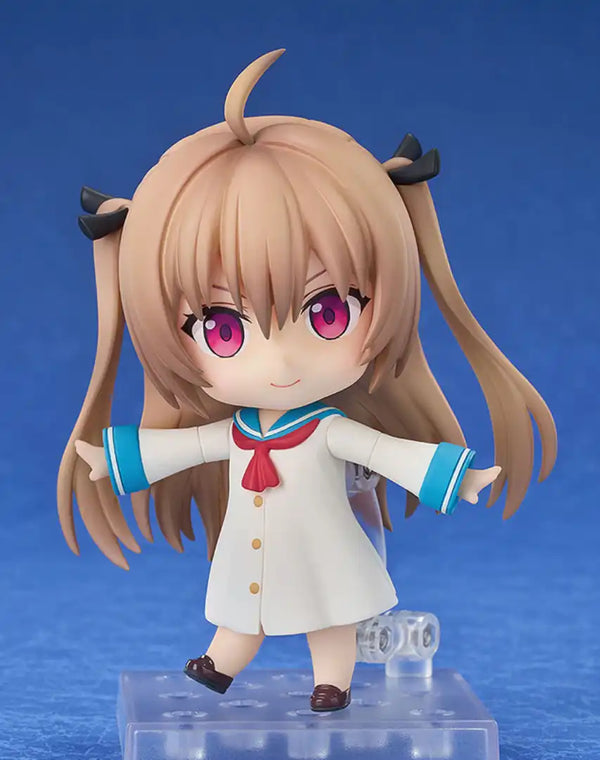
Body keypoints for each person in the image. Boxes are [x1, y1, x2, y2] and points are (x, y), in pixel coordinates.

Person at [58, 49, 556, 712]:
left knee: (331, 611)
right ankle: (219, 663)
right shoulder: (237, 432)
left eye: (327, 314)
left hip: (325, 549)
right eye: (223, 329)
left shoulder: (327, 429)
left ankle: (333, 681)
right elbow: (190, 446)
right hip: (253, 550)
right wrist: (114, 459)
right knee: (241, 609)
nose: (279, 362)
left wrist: (453, 476)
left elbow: (385, 453)